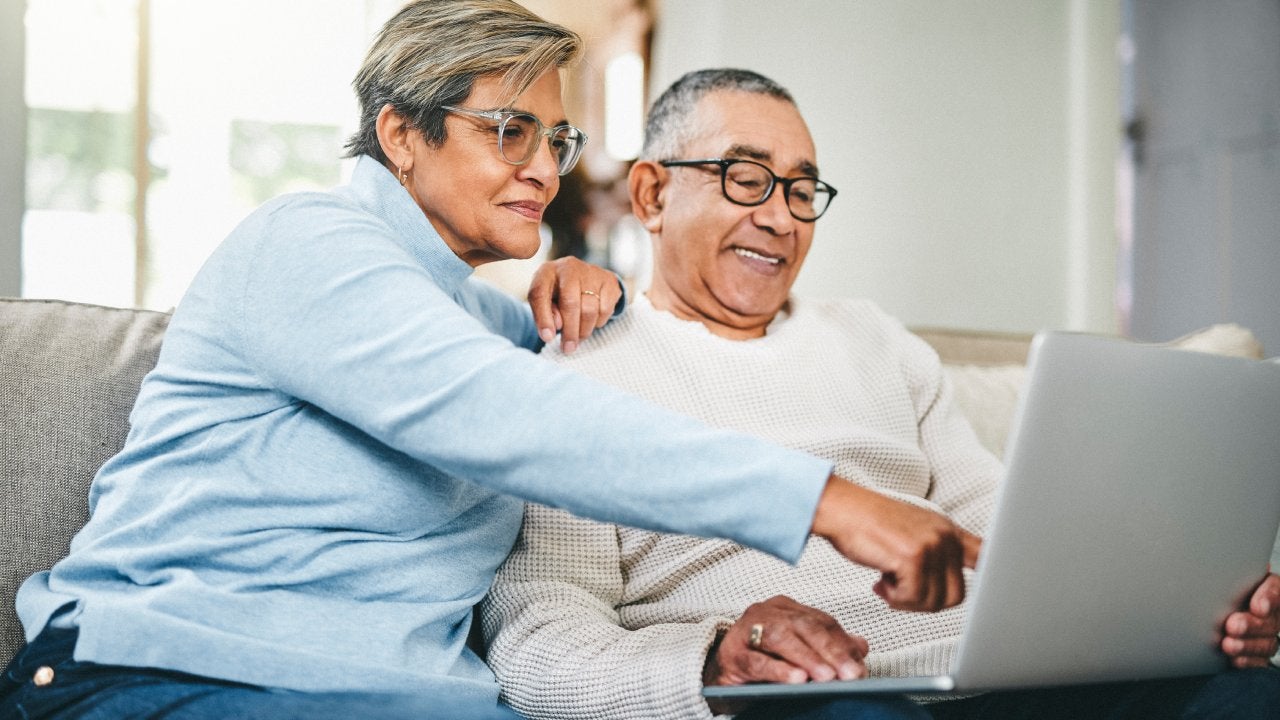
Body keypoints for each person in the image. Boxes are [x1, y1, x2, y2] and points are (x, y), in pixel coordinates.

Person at [0, 5, 986, 720]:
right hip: (174, 676)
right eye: (508, 132)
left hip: (419, 699)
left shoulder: (489, 316)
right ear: (400, 133)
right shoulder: (305, 243)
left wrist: (551, 293)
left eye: (555, 140)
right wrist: (832, 503)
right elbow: (524, 423)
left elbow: (522, 373)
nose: (544, 170)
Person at [480, 68, 1280, 720]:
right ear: (653, 195)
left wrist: (1186, 607)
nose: (781, 219)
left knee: (1254, 692)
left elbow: (1004, 528)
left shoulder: (877, 341)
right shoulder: (583, 360)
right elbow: (536, 637)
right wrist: (711, 658)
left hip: (997, 688)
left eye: (802, 190)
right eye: (748, 179)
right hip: (816, 702)